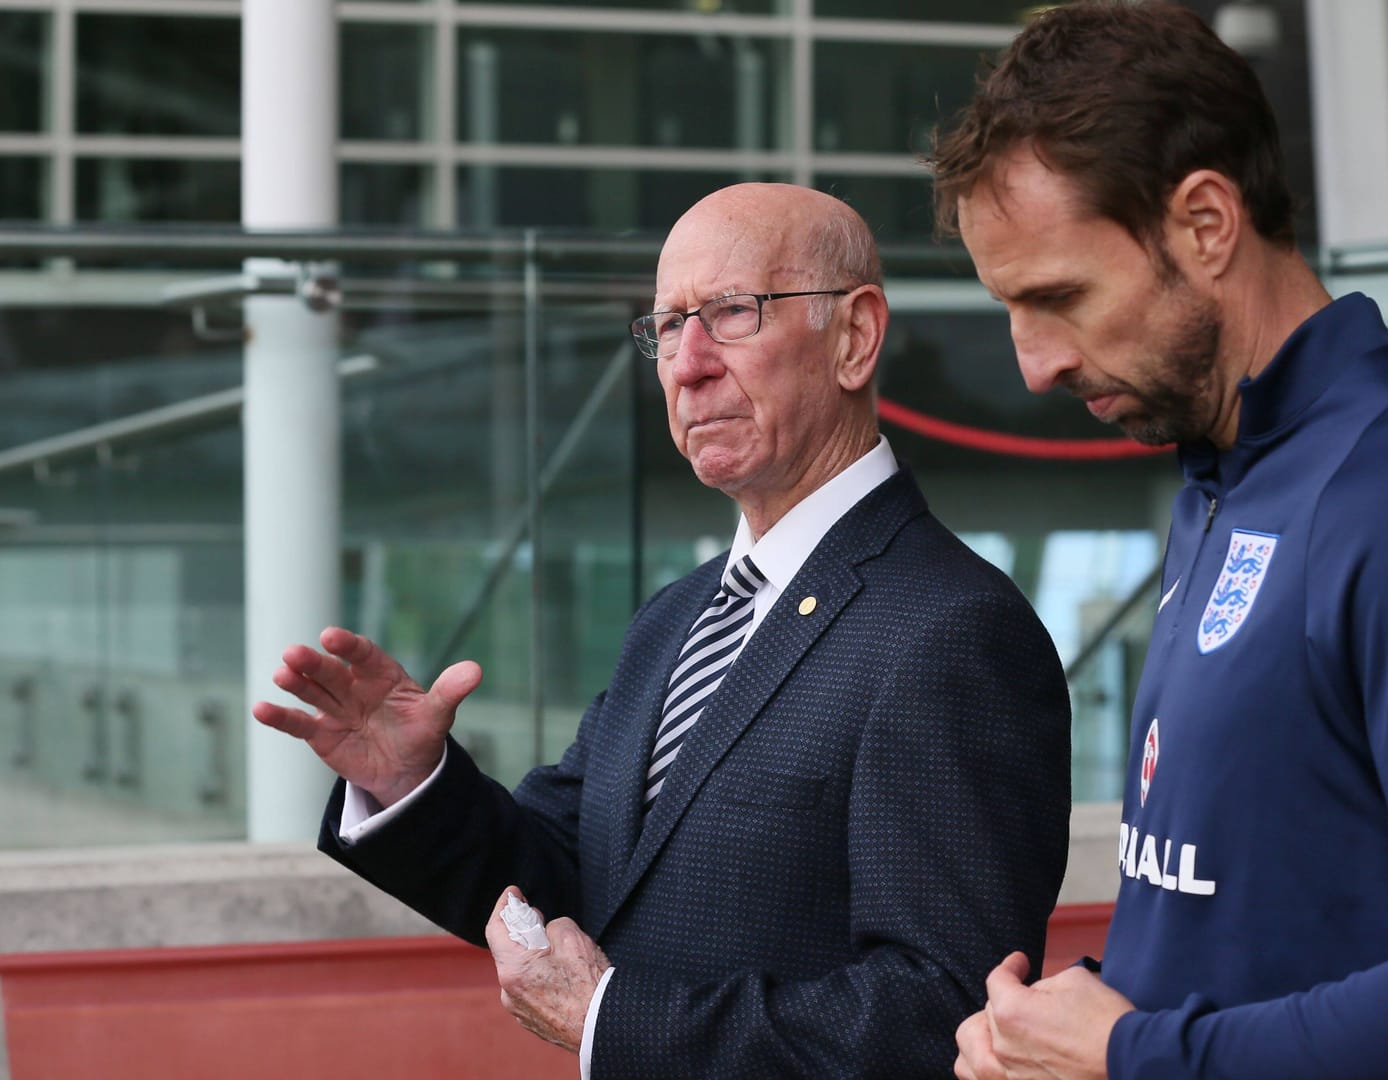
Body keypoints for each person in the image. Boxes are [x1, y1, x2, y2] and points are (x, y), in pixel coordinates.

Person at [928, 4, 1388, 1078]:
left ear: (1207, 222)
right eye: (1012, 308)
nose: (1034, 364)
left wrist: (1134, 1056)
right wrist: (1062, 1036)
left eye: (1060, 296)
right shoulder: (1223, 464)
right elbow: (1265, 919)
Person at [252, 183, 1073, 1079]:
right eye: (665, 327)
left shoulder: (954, 629)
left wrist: (617, 1021)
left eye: (729, 313)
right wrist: (414, 783)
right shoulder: (676, 617)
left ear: (855, 337)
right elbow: (572, 871)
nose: (687, 364)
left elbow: (942, 1013)